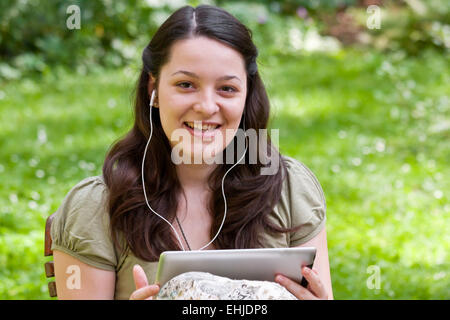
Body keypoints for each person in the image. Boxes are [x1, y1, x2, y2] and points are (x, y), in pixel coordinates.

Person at [51, 4, 333, 300]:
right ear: (153, 89)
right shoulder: (96, 208)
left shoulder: (290, 189)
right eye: (186, 85)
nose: (207, 106)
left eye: (227, 88)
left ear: (247, 94)